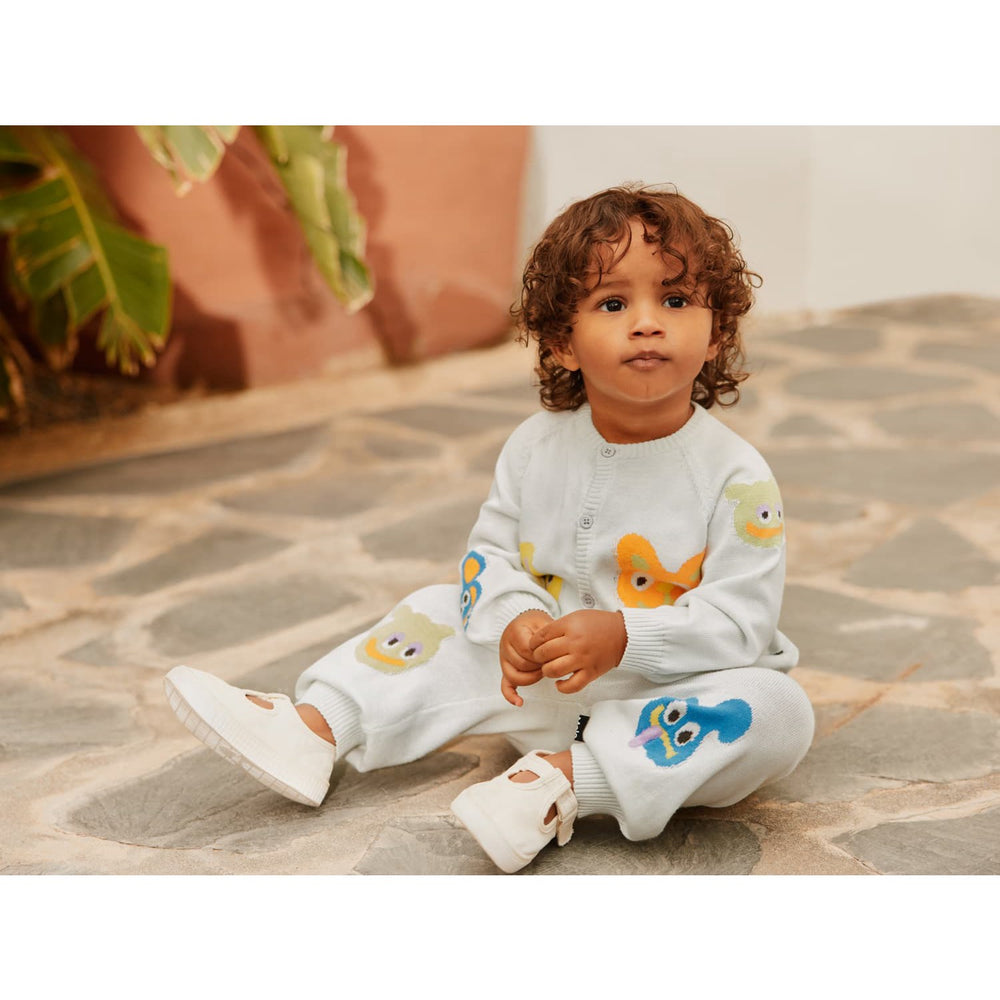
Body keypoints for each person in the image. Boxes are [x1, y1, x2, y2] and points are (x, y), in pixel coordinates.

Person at [163, 184, 815, 873]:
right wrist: (516, 621)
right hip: (537, 685)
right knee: (437, 610)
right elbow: (489, 557)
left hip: (667, 712)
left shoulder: (737, 478)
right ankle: (314, 729)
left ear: (717, 334)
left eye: (676, 300)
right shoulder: (534, 448)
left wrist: (626, 637)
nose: (647, 323)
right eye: (613, 304)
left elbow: (742, 622)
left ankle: (556, 785)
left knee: (778, 711)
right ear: (562, 342)